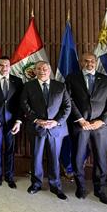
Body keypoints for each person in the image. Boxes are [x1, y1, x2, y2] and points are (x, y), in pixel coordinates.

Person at [65, 52, 107, 204]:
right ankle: (80, 187)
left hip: (100, 126)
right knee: (78, 156)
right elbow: (68, 99)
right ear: (81, 62)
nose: (89, 63)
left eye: (92, 61)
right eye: (86, 61)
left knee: (101, 158)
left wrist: (102, 121)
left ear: (96, 62)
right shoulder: (71, 78)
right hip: (80, 125)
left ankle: (99, 189)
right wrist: (80, 119)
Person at [20, 60, 71, 200]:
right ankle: (36, 184)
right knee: (36, 157)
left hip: (56, 129)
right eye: (39, 68)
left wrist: (56, 121)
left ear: (49, 70)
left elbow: (67, 107)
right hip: (37, 127)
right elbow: (24, 104)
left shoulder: (60, 86)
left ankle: (56, 186)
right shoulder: (28, 86)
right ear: (35, 71)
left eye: (45, 68)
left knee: (54, 158)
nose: (42, 71)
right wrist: (36, 120)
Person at [0, 55, 24, 188]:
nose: (4, 67)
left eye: (7, 65)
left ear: (10, 67)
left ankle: (9, 176)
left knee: (10, 150)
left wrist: (18, 121)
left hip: (12, 122)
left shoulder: (17, 81)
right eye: (1, 65)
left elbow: (21, 103)